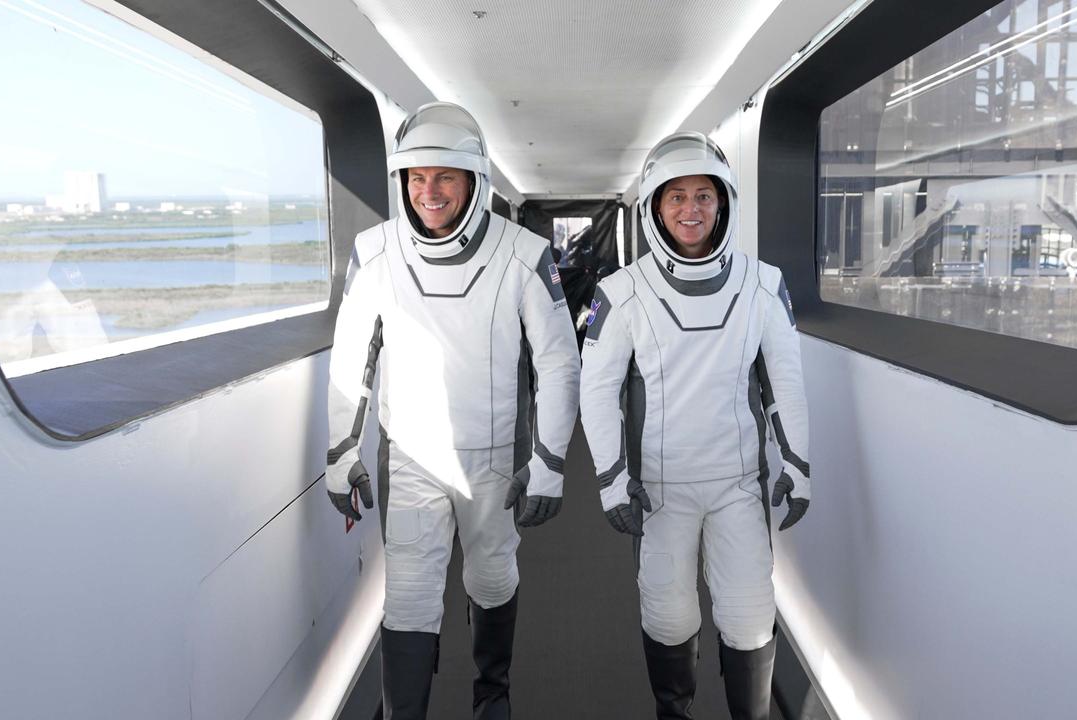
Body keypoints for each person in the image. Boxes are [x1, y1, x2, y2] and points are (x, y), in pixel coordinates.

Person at [325, 102, 580, 719]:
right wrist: (340, 452)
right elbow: (351, 361)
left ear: (475, 180)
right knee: (409, 598)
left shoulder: (523, 254)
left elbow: (559, 363)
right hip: (412, 457)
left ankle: (492, 694)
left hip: (493, 458)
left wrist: (548, 462)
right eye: (416, 177)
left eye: (444, 176)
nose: (428, 191)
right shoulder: (376, 251)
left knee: (492, 579)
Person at [578, 132, 811, 720]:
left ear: (723, 202)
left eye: (703, 196)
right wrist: (611, 481)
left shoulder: (764, 284)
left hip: (738, 485)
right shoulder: (621, 292)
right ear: (656, 205)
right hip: (658, 490)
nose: (690, 210)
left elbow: (785, 381)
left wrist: (798, 466)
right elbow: (597, 390)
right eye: (676, 197)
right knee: (669, 615)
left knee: (749, 618)